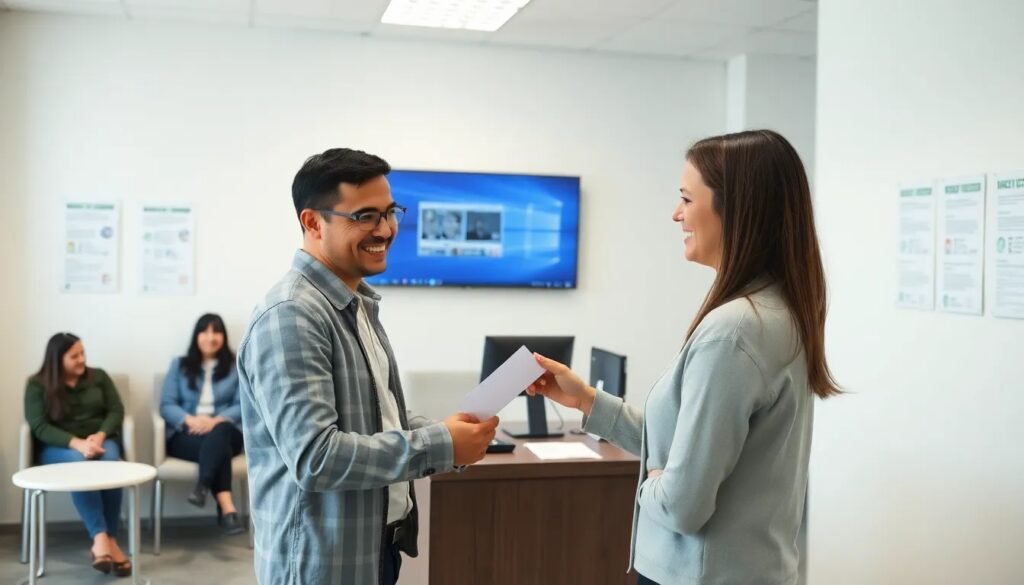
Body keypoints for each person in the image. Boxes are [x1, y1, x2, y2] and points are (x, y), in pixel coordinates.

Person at [528, 130, 840, 585]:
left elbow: (681, 505)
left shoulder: (733, 331)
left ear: (736, 209)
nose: (676, 214)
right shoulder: (779, 311)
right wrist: (587, 401)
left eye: (687, 199)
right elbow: (689, 446)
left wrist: (655, 480)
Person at [237, 147, 499, 585]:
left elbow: (376, 414)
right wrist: (441, 445)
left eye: (390, 212)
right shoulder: (292, 315)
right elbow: (317, 458)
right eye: (365, 216)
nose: (386, 229)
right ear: (313, 222)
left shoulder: (354, 303)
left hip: (373, 548)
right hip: (322, 564)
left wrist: (447, 430)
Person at [24, 333, 132, 577]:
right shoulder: (36, 385)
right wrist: (77, 444)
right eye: (74, 356)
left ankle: (109, 542)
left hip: (100, 442)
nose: (82, 359)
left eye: (83, 353)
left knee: (111, 463)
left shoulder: (99, 376)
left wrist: (101, 435)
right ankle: (101, 537)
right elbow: (39, 426)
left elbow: (116, 410)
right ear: (57, 359)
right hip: (60, 448)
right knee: (79, 464)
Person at [159, 313, 245, 535]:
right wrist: (190, 420)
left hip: (227, 430)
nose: (211, 337)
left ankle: (202, 485)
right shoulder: (179, 365)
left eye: (216, 332)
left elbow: (244, 404)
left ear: (223, 336)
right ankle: (227, 509)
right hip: (187, 434)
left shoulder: (236, 366)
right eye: (205, 331)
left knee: (221, 432)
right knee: (220, 450)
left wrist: (215, 421)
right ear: (196, 336)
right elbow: (167, 405)